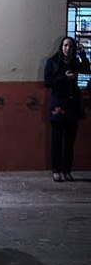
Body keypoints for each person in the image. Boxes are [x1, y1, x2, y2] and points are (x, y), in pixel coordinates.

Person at [44, 36, 91, 182]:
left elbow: (86, 70)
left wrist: (83, 55)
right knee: (57, 140)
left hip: (73, 104)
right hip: (58, 103)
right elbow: (48, 82)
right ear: (61, 46)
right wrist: (64, 78)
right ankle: (56, 170)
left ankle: (67, 170)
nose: (67, 49)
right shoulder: (52, 62)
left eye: (70, 46)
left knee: (70, 141)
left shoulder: (75, 61)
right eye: (65, 46)